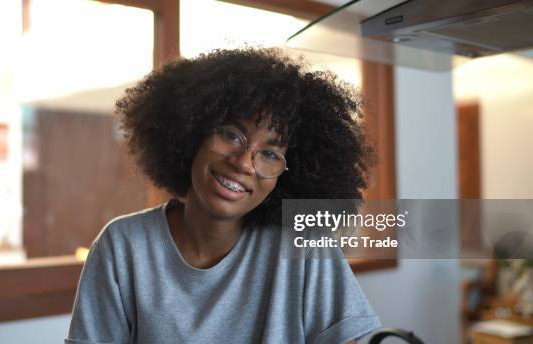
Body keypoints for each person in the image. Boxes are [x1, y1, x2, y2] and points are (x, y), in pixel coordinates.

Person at [65, 48, 380, 344]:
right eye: (231, 135)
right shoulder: (123, 245)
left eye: (270, 154)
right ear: (193, 134)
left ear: (289, 176)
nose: (243, 162)